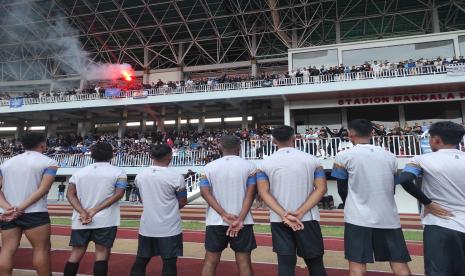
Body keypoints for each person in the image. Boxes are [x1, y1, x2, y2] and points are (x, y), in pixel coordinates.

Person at [331, 119, 411, 276]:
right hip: (388, 217)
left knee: (357, 265)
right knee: (399, 263)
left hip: (357, 218)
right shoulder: (390, 156)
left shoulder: (343, 156)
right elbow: (392, 187)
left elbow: (342, 188)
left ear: (350, 134)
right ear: (372, 133)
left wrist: (351, 203)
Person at [257, 125, 328, 276]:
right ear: (294, 138)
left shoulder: (264, 164)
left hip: (279, 220)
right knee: (315, 264)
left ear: (273, 140)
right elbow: (321, 189)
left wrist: (284, 215)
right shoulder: (313, 160)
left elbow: (263, 192)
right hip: (307, 219)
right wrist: (301, 212)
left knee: (285, 265)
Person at [399, 121, 465, 276]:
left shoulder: (421, 159)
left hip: (439, 224)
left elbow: (405, 179)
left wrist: (427, 203)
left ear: (436, 139)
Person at [63, 142, 127, 276]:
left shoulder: (79, 172)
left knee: (75, 255)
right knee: (102, 255)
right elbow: (119, 194)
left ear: (92, 155)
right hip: (106, 220)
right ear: (111, 155)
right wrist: (95, 210)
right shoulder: (118, 172)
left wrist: (82, 212)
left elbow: (70, 194)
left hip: (81, 219)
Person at [0, 133, 58, 276]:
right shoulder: (49, 162)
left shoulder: (6, 163)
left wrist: (9, 208)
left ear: (23, 145)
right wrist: (21, 208)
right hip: (35, 212)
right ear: (42, 144)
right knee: (41, 249)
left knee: (7, 249)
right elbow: (44, 189)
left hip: (8, 212)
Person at [200, 135, 257, 276]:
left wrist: (224, 214)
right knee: (244, 262)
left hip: (215, 221)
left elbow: (205, 193)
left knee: (210, 261)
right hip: (242, 221)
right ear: (239, 147)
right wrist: (240, 219)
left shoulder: (208, 168)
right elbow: (250, 195)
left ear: (219, 147)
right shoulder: (250, 167)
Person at [130, 144, 187, 276]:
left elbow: (141, 199)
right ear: (170, 156)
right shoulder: (176, 177)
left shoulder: (140, 176)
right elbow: (183, 201)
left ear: (151, 156)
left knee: (141, 260)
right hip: (170, 227)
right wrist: (169, 208)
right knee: (169, 263)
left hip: (147, 226)